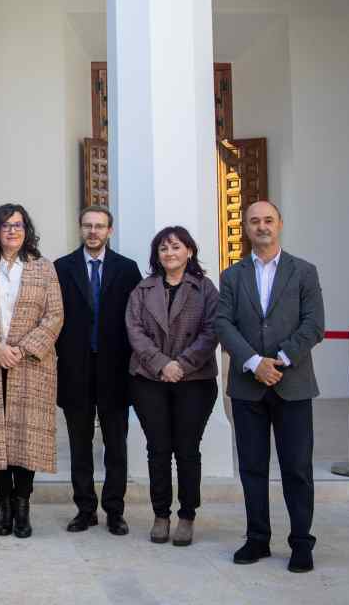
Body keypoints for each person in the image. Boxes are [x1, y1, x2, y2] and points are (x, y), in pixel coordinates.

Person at [215, 201, 324, 573]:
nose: (262, 226)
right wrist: (253, 362)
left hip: (293, 385)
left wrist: (279, 359)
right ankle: (257, 538)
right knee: (252, 467)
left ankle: (301, 542)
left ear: (280, 224)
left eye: (268, 220)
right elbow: (223, 323)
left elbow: (314, 324)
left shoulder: (304, 271)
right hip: (248, 387)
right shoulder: (232, 276)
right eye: (254, 221)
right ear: (246, 228)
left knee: (297, 468)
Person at [0, 204, 63, 539]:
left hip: (32, 364)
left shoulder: (43, 268)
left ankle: (22, 506)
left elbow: (55, 316)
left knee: (26, 436)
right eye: (6, 225)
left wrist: (22, 349)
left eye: (19, 225)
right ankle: (4, 507)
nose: (13, 230)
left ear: (27, 231)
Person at [124, 226, 219, 547]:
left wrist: (182, 365)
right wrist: (163, 364)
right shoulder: (142, 289)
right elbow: (134, 330)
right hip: (149, 379)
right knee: (158, 449)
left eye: (176, 247)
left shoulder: (205, 289)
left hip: (195, 380)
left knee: (188, 450)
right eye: (163, 248)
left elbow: (212, 330)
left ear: (189, 251)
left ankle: (187, 515)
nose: (170, 253)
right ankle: (161, 515)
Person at [54, 205, 142, 535]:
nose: (93, 231)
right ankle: (85, 509)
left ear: (109, 231)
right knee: (80, 445)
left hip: (115, 370)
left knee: (116, 445)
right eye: (88, 225)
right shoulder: (62, 268)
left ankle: (115, 511)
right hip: (74, 368)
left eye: (100, 226)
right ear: (80, 228)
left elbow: (136, 318)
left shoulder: (127, 269)